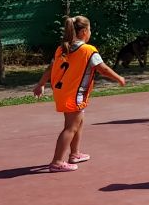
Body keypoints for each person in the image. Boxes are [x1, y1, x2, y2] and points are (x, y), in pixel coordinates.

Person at [32, 16, 126, 173]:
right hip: (74, 94)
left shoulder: (62, 48)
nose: (90, 33)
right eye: (90, 30)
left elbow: (50, 68)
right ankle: (57, 162)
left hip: (64, 92)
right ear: (83, 32)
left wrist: (40, 84)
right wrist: (119, 78)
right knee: (70, 127)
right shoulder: (88, 50)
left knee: (79, 122)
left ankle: (75, 154)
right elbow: (102, 69)